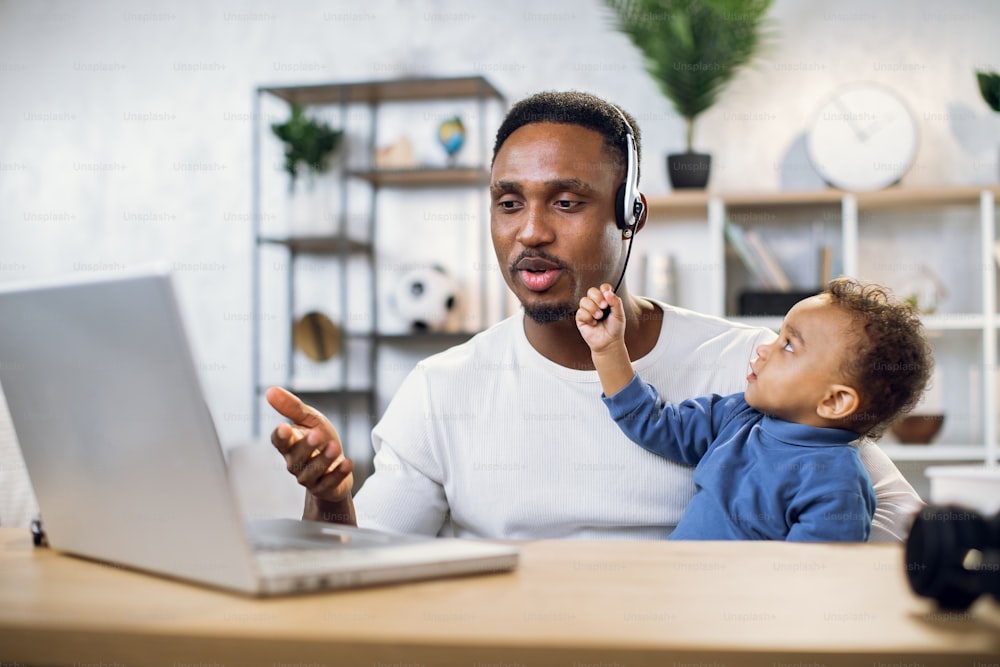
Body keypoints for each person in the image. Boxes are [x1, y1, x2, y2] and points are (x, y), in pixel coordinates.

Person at [267, 90, 924, 541]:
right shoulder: (442, 388)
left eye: (565, 202)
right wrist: (330, 498)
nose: (530, 232)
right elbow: (357, 570)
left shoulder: (751, 370)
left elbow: (901, 529)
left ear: (630, 214)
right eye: (508, 203)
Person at [576, 278, 933, 541]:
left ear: (834, 401)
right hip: (673, 596)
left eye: (789, 346)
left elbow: (813, 588)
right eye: (778, 335)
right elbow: (655, 424)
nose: (764, 348)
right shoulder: (740, 415)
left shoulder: (835, 484)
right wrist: (609, 351)